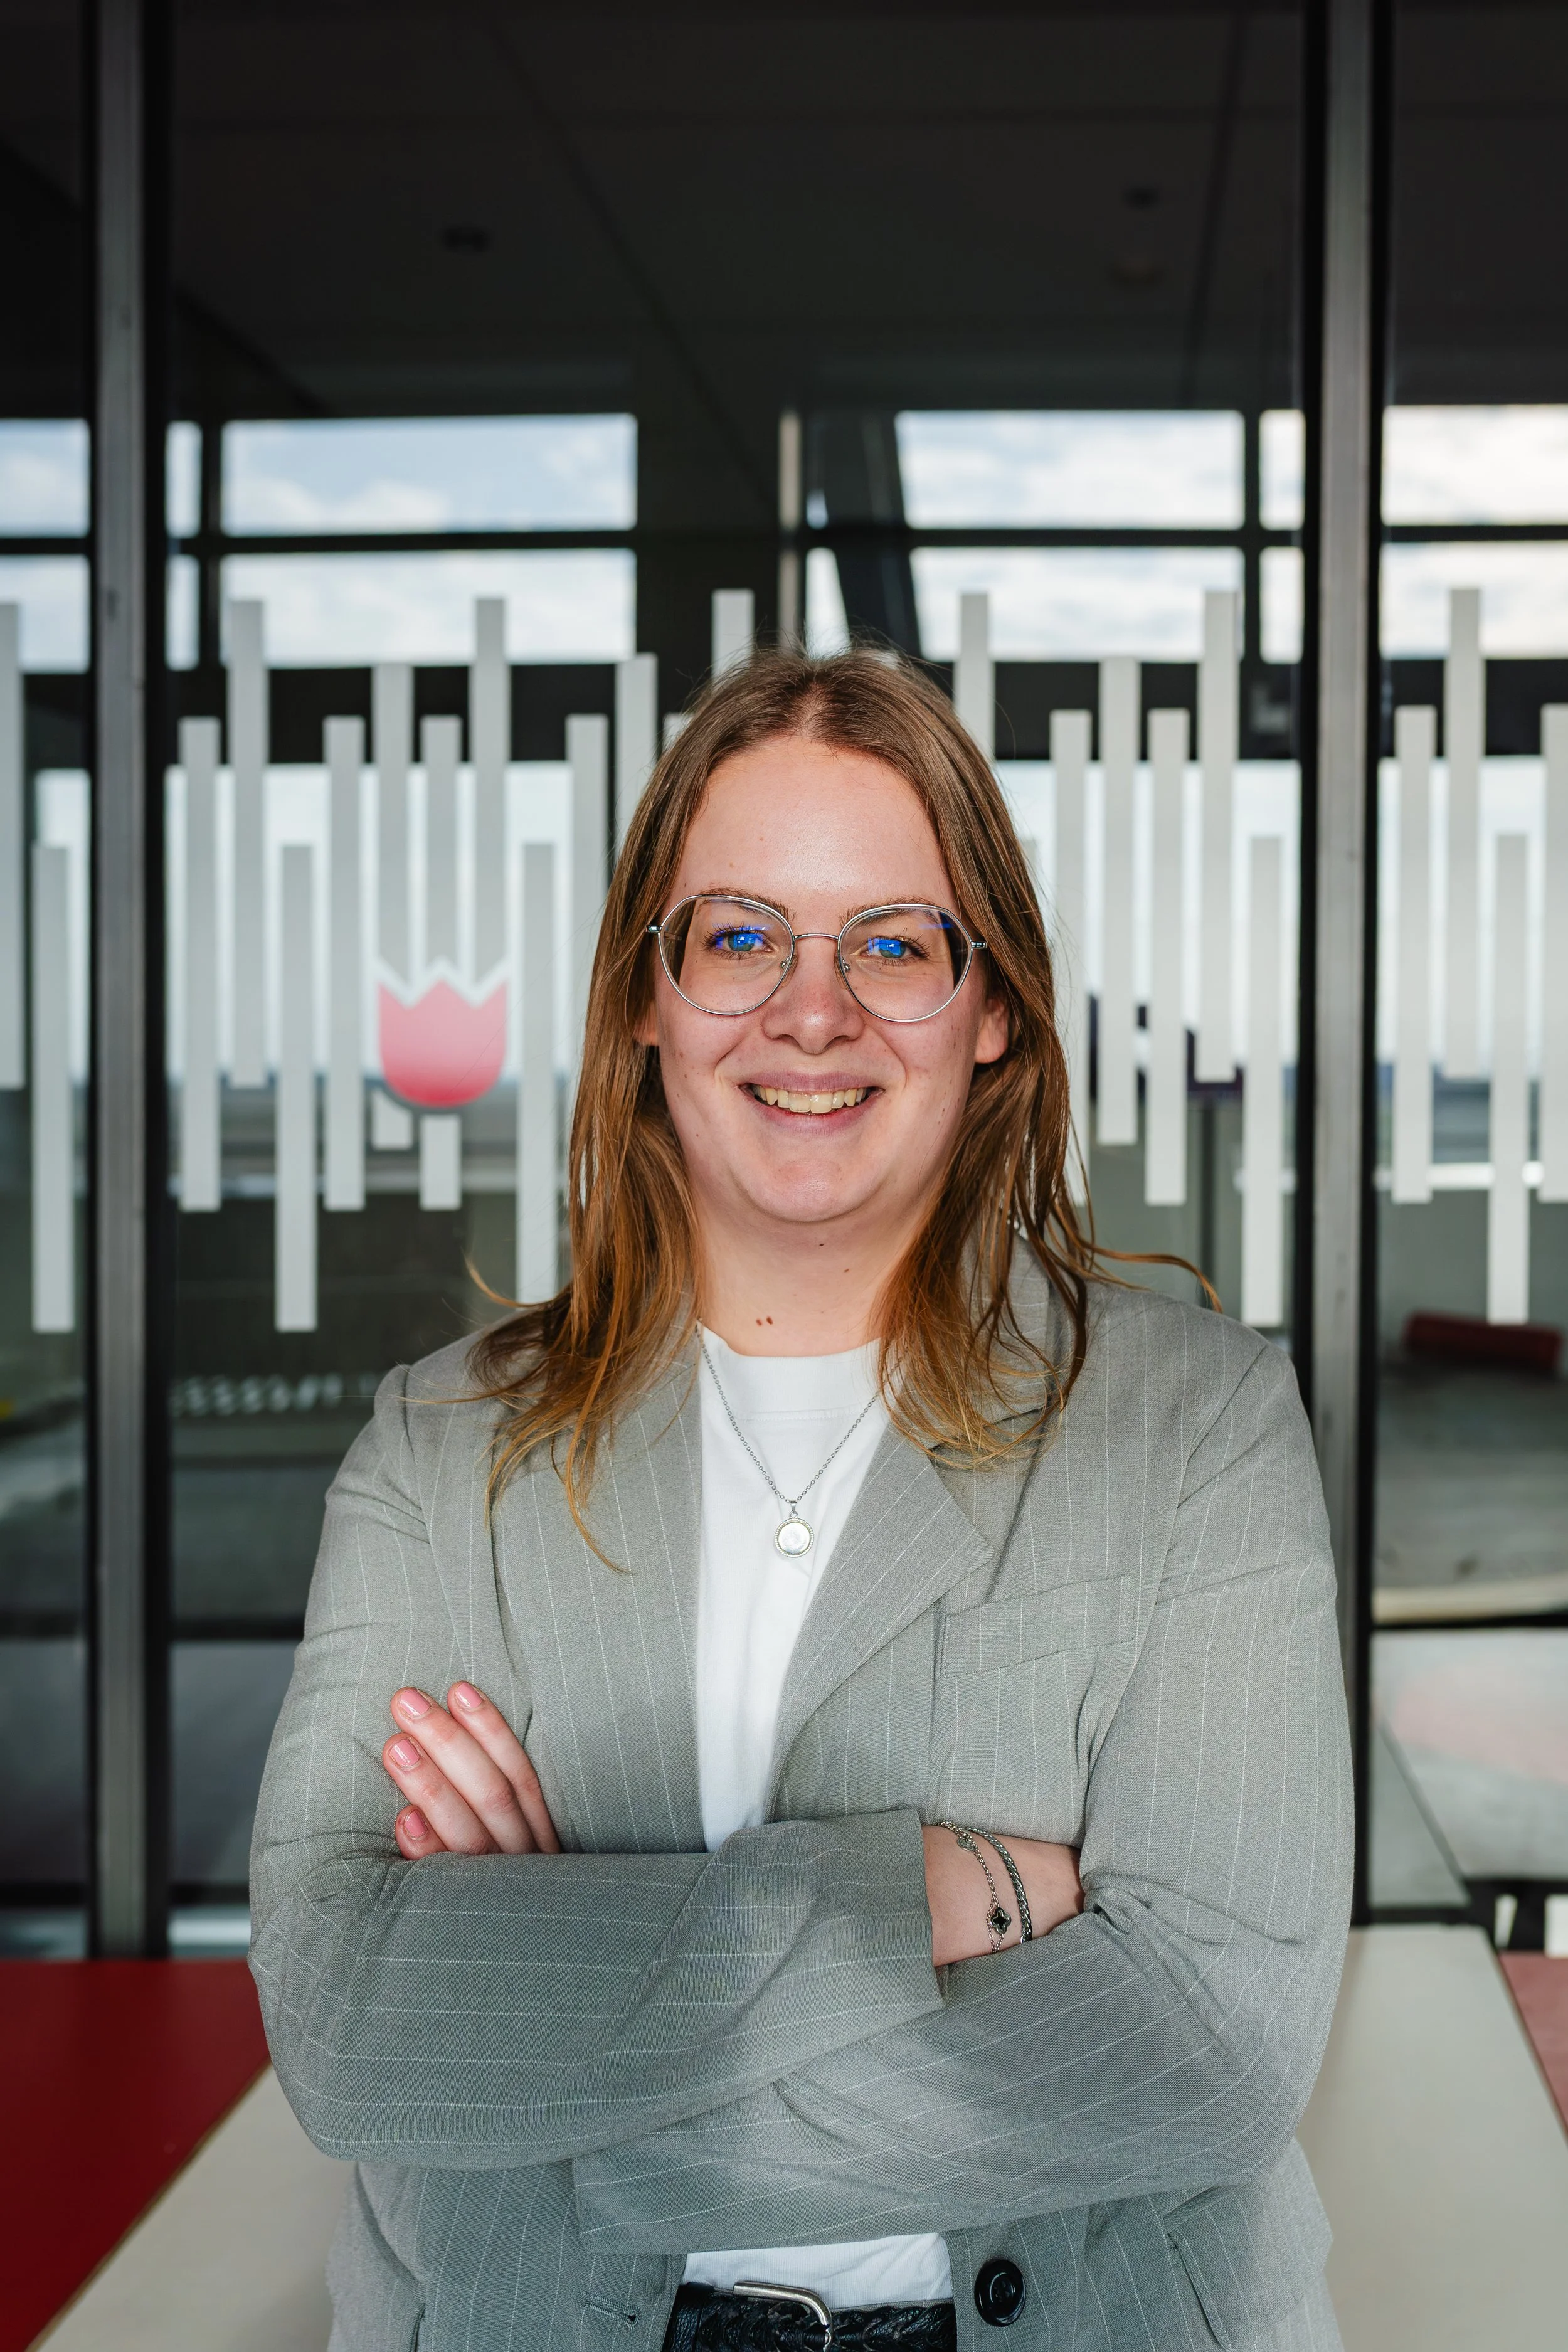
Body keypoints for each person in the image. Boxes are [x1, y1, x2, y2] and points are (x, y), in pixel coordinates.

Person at [251, 649, 1352, 2352]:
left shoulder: (1195, 1429)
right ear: (646, 993)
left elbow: (1201, 2048)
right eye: (740, 932)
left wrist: (565, 2048)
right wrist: (912, 1895)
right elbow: (343, 2015)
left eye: (894, 943)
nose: (810, 1008)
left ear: (993, 1008)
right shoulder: (439, 1446)